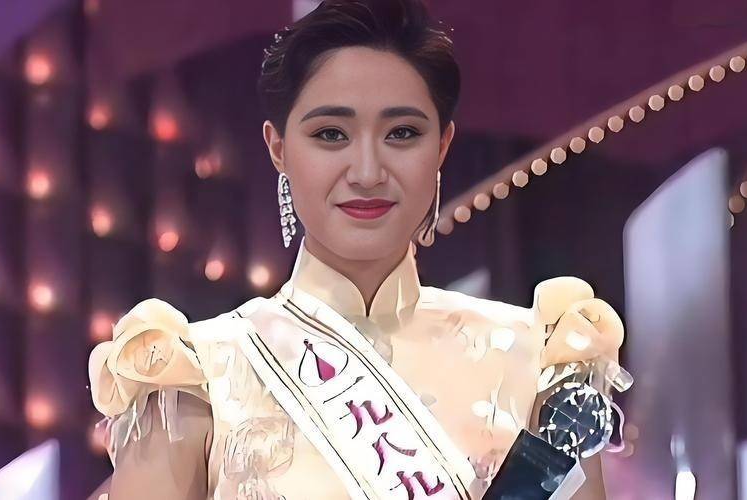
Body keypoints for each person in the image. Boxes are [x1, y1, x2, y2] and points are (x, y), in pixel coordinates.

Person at [88, 1, 625, 498]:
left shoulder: (538, 360)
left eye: (402, 133)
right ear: (278, 148)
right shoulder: (197, 376)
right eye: (331, 134)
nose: (367, 172)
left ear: (442, 145)